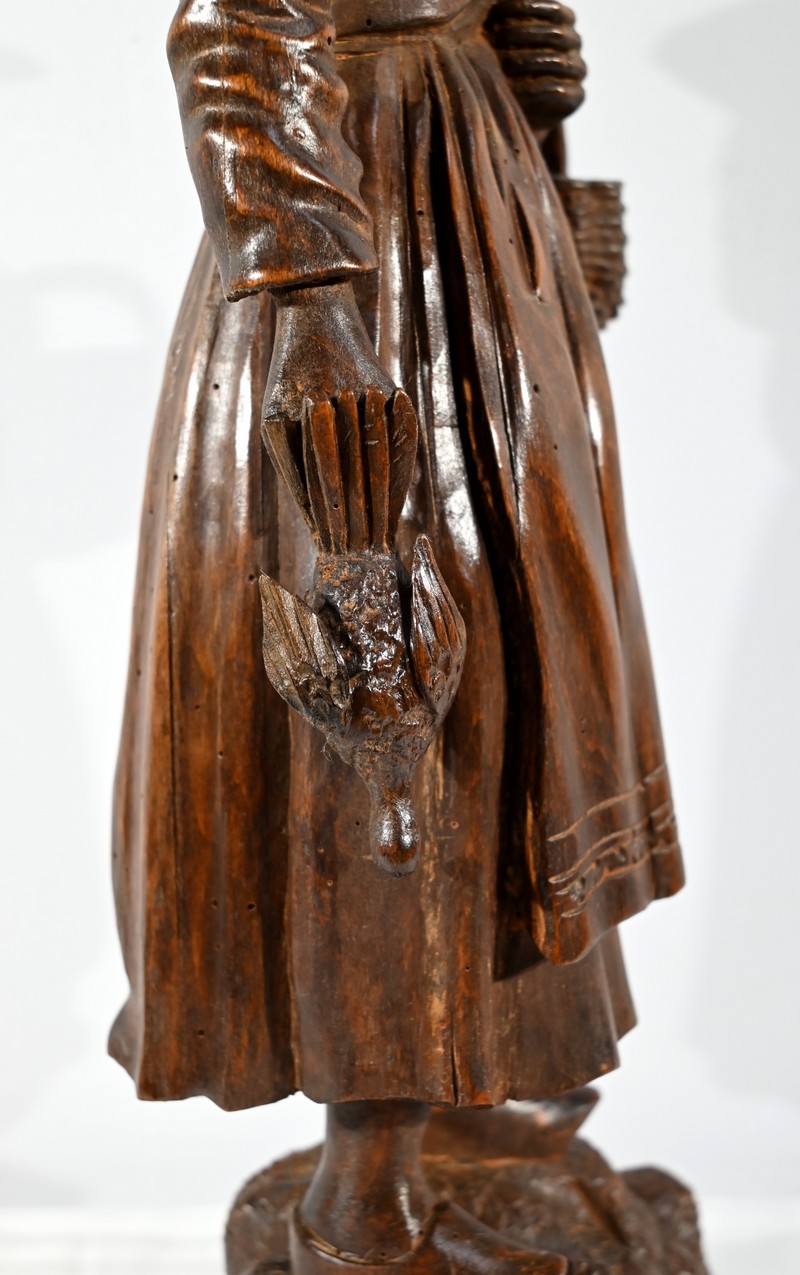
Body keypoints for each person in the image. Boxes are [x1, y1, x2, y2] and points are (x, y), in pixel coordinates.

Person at [110, 2, 684, 1270]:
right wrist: (311, 299)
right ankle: (359, 1209)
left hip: (481, 217)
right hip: (348, 238)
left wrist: (540, 143)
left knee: (519, 694)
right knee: (389, 714)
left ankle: (480, 1075)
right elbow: (235, 36)